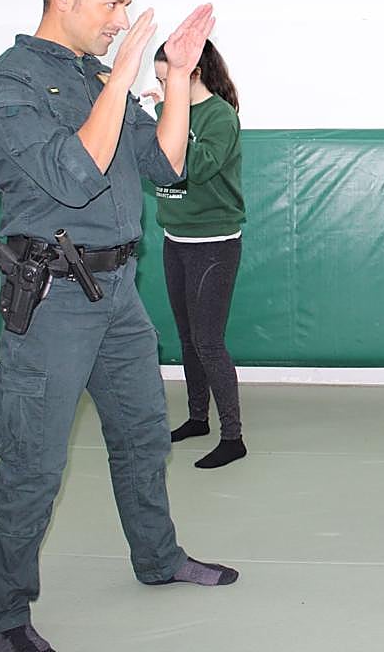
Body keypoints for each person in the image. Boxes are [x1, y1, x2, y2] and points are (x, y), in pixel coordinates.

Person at [0, 0, 238, 652]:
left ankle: (158, 558)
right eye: (112, 1)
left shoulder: (93, 77)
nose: (122, 17)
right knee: (33, 461)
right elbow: (76, 171)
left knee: (145, 435)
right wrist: (119, 77)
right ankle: (5, 615)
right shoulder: (11, 84)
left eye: (127, 3)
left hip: (117, 292)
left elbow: (167, 162)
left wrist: (176, 74)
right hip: (52, 297)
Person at [143, 39, 247, 468]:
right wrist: (159, 115)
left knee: (208, 341)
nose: (164, 90)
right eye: (160, 83)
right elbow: (157, 164)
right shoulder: (170, 113)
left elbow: (196, 165)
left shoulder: (219, 117)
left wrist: (170, 118)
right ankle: (198, 418)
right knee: (187, 338)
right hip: (176, 240)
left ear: (193, 74)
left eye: (169, 81)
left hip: (214, 243)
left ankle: (233, 437)